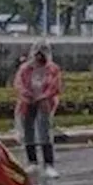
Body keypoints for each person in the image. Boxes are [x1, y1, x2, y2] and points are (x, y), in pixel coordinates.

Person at [13, 42, 63, 177]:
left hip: (44, 103)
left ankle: (48, 164)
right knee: (28, 130)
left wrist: (43, 97)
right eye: (37, 54)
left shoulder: (53, 69)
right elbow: (18, 83)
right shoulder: (25, 68)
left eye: (42, 54)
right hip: (27, 102)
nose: (39, 57)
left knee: (44, 131)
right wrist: (27, 95)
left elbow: (55, 85)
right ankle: (32, 162)